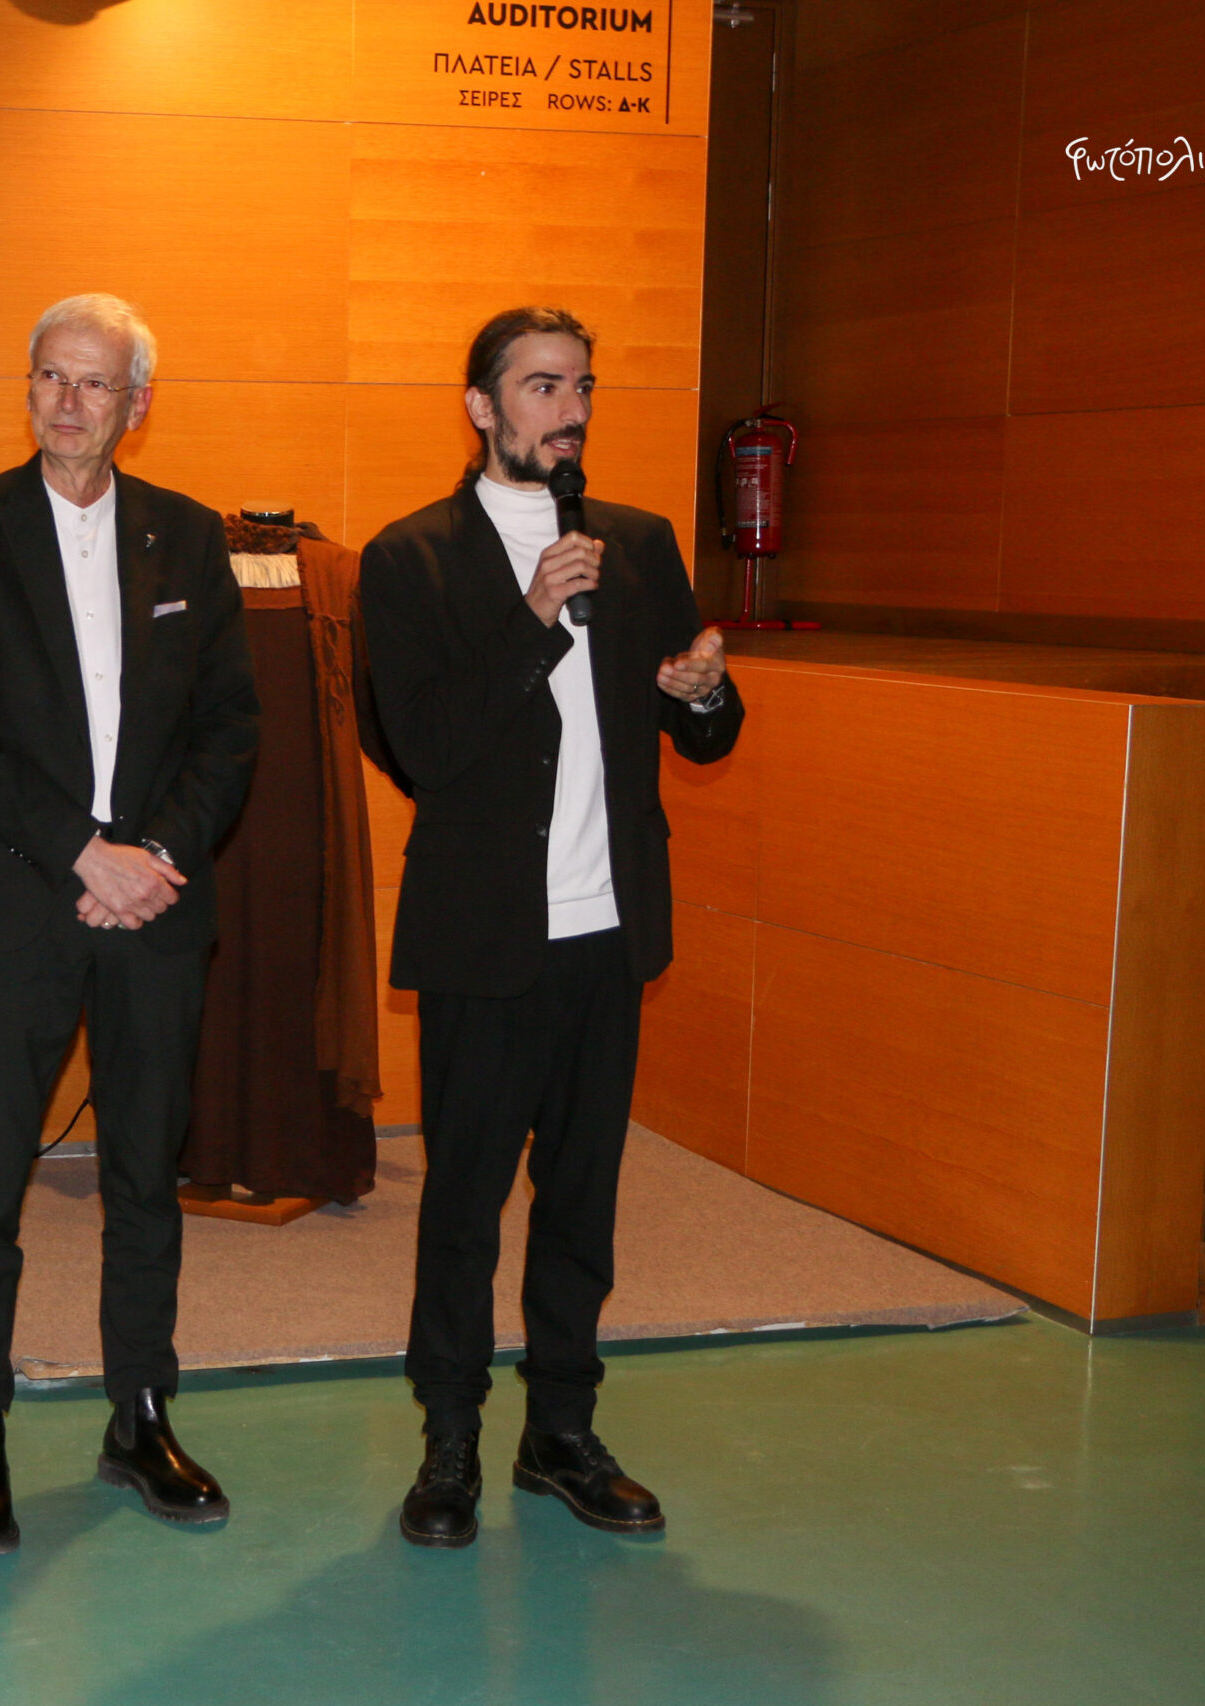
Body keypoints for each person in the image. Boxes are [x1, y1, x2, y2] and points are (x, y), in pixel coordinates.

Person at [357, 307, 742, 1548]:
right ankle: (450, 1440)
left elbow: (702, 728)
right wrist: (530, 617)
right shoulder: (408, 559)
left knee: (582, 1199)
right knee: (464, 1204)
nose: (567, 410)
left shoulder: (638, 542)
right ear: (480, 406)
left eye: (580, 386)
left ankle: (561, 1432)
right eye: (538, 386)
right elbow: (423, 746)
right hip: (484, 939)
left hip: (606, 933)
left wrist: (703, 693)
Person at [0, 293, 260, 1554]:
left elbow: (230, 724)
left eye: (93, 383)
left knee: (144, 1179)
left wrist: (153, 855)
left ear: (136, 404)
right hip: (13, 905)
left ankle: (140, 1415)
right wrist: (81, 850)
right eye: (48, 377)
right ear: (29, 388)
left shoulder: (191, 536)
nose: (66, 401)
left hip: (153, 907)